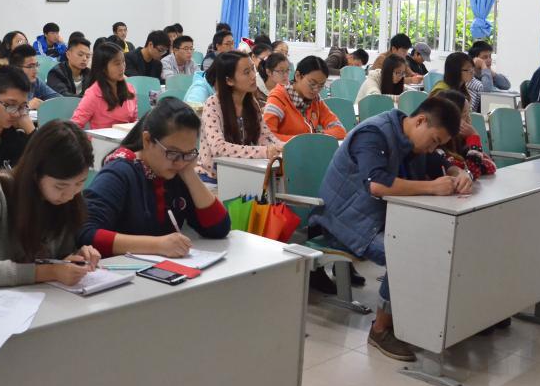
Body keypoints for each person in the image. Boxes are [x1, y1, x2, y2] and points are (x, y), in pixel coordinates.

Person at [317, 97, 469, 361]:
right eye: (434, 141)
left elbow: (441, 164)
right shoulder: (372, 134)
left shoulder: (414, 141)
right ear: (420, 121)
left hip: (379, 219)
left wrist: (457, 172)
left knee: (442, 245)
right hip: (344, 222)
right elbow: (377, 184)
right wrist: (431, 187)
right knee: (406, 253)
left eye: (438, 144)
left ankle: (426, 321)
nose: (433, 148)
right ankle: (381, 329)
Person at [0, 120, 100, 289]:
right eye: (60, 186)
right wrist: (50, 272)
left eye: (80, 183)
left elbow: (56, 258)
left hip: (37, 295)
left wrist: (75, 259)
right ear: (35, 173)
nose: (70, 195)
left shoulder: (68, 198)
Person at [79, 97, 230, 257]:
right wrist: (157, 245)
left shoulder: (177, 172)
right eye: (173, 153)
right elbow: (86, 234)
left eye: (188, 153)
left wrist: (189, 173)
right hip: (121, 268)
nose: (180, 162)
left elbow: (219, 228)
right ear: (147, 140)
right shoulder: (120, 172)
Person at [196, 52, 284, 181]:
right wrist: (264, 151)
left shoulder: (251, 103)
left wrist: (284, 147)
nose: (253, 76)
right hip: (211, 177)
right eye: (247, 72)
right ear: (229, 80)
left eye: (253, 69)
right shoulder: (213, 104)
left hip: (239, 173)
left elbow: (265, 136)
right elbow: (218, 148)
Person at [264, 56, 346, 141]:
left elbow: (340, 130)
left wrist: (317, 136)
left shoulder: (316, 100)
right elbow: (267, 138)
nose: (316, 89)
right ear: (298, 76)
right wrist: (305, 140)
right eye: (312, 84)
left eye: (321, 85)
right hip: (285, 149)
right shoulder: (278, 99)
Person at [71, 42, 138, 130]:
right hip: (101, 138)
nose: (122, 67)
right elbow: (75, 125)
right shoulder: (94, 94)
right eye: (117, 63)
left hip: (127, 138)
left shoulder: (130, 89)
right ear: (103, 68)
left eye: (123, 62)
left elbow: (134, 121)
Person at [436, 90, 496, 180]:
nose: (469, 119)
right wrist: (473, 137)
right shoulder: (439, 151)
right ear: (451, 118)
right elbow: (473, 172)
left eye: (469, 113)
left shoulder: (461, 142)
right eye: (465, 115)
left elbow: (491, 166)